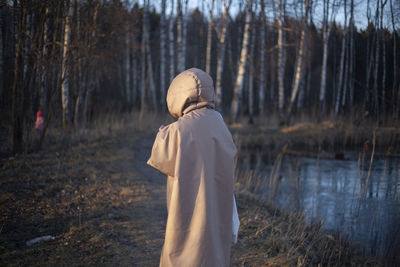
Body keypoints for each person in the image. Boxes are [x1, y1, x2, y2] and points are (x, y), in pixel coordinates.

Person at [147, 68, 239, 267]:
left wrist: (162, 134)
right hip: (217, 204)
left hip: (187, 203)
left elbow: (159, 158)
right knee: (214, 247)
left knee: (184, 246)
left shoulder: (178, 129)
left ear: (178, 95)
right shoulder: (220, 124)